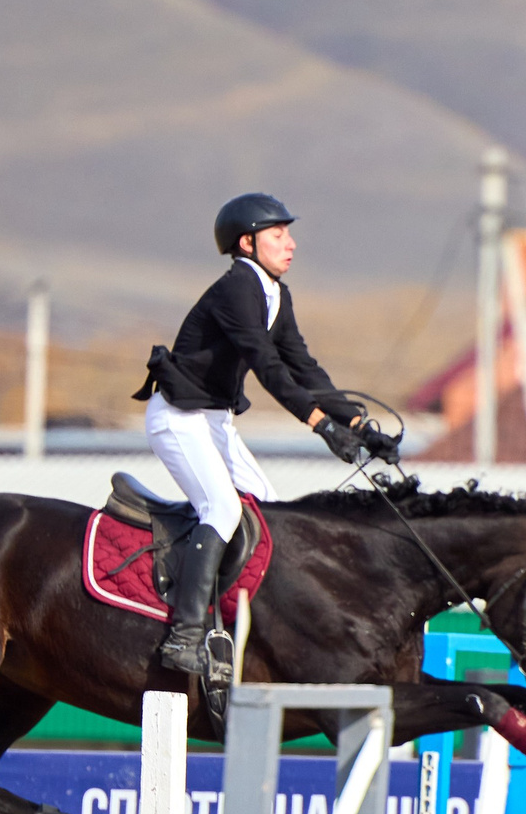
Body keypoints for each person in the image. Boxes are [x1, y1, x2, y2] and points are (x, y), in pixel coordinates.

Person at [132, 193, 397, 674]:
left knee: (268, 513)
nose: (291, 244)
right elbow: (267, 366)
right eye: (279, 235)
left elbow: (304, 368)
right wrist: (320, 426)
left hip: (212, 421)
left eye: (289, 234)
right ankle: (185, 634)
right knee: (224, 507)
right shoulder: (237, 288)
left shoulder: (276, 294)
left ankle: (245, 624)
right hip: (177, 418)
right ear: (247, 243)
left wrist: (358, 425)